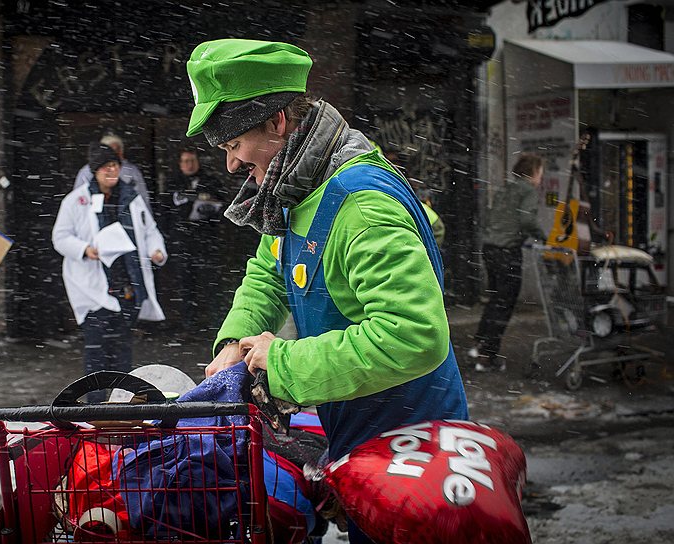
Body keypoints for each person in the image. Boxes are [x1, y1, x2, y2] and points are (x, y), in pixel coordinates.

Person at [188, 39, 467, 539]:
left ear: (277, 122)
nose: (231, 165)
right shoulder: (299, 188)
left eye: (233, 145)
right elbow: (268, 270)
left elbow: (415, 335)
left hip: (411, 443)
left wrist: (283, 362)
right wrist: (237, 340)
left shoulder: (359, 204)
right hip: (359, 428)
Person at [53, 142, 168, 403]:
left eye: (115, 166)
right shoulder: (77, 200)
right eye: (106, 167)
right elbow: (60, 237)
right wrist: (85, 249)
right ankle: (95, 407)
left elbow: (149, 230)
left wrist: (156, 249)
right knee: (96, 352)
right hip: (93, 289)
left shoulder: (131, 197)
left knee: (122, 352)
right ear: (95, 171)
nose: (112, 171)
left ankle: (121, 406)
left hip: (126, 285)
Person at [469, 153, 546, 372]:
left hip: (491, 249)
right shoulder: (528, 190)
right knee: (505, 303)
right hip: (507, 252)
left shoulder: (506, 188)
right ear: (533, 172)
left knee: (496, 299)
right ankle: (487, 355)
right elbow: (526, 219)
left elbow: (493, 217)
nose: (541, 178)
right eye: (540, 172)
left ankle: (481, 341)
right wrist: (545, 237)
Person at [165, 148, 226, 329]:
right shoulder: (173, 183)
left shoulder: (211, 181)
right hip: (181, 240)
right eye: (185, 161)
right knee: (185, 283)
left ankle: (216, 324)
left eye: (192, 160)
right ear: (180, 163)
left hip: (205, 240)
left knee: (211, 282)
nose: (189, 165)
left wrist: (211, 210)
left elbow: (223, 206)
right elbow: (165, 212)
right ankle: (188, 324)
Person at [74, 134, 153, 211]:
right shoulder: (86, 171)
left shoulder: (131, 171)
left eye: (116, 151)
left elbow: (143, 198)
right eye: (110, 151)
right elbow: (77, 199)